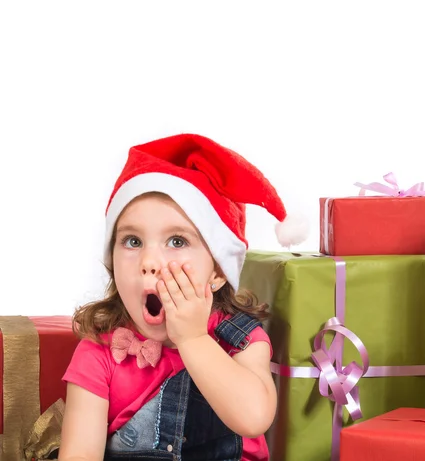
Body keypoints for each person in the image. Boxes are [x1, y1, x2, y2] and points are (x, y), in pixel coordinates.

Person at [58, 134, 308, 461]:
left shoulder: (242, 340)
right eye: (132, 241)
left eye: (176, 241)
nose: (149, 262)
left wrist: (192, 339)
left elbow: (254, 417)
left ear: (218, 271)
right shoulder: (100, 352)